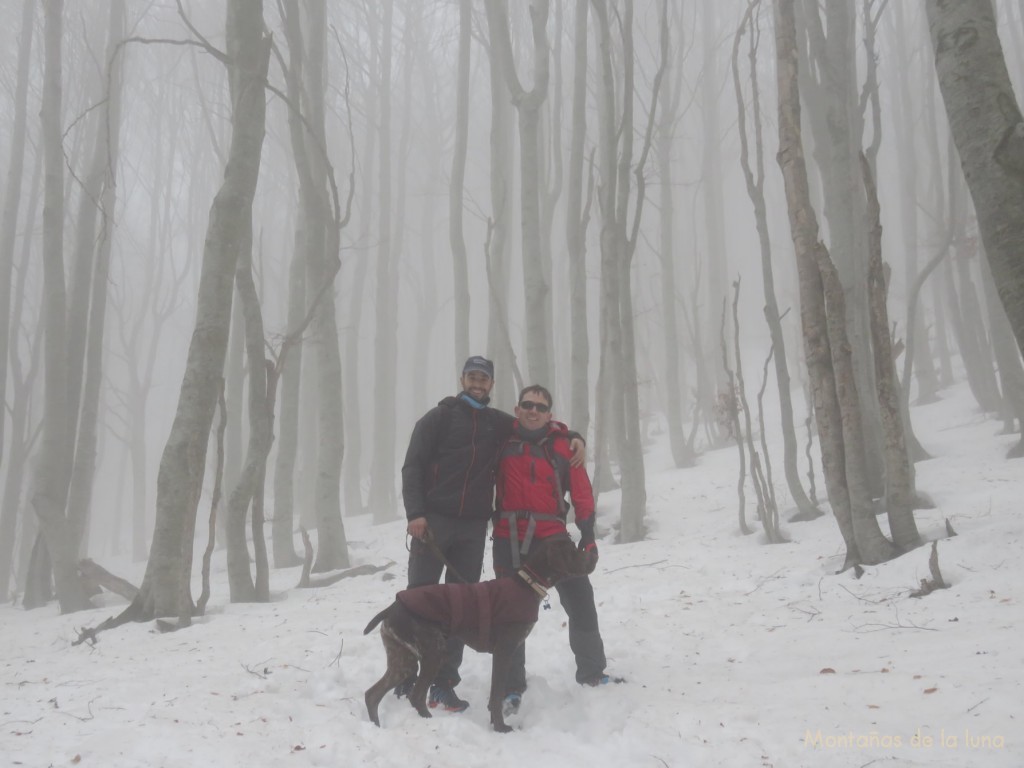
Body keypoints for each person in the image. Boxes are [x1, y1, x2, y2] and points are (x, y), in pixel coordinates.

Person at [400, 357, 584, 713]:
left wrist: (573, 437)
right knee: (418, 598)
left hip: (472, 527)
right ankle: (406, 675)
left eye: (484, 379)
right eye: (472, 377)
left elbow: (537, 424)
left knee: (459, 604)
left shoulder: (497, 423)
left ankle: (443, 682)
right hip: (433, 522)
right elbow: (413, 466)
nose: (478, 384)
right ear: (462, 379)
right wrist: (415, 514)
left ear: (491, 384)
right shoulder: (438, 418)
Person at [492, 384, 614, 716]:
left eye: (541, 407)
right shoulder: (500, 440)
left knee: (580, 599)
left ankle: (591, 672)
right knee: (509, 614)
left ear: (550, 414)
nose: (533, 410)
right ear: (517, 409)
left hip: (553, 539)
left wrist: (587, 535)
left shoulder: (564, 447)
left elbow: (582, 494)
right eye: (527, 404)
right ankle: (510, 686)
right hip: (508, 538)